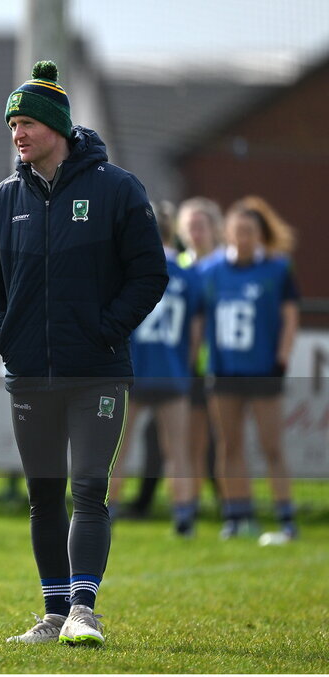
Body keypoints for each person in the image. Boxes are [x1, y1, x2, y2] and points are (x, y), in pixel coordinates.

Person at [0, 61, 167, 646]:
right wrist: (2, 334)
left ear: (56, 126)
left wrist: (108, 328)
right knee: (43, 494)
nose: (17, 134)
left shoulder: (117, 189)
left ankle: (85, 610)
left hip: (97, 371)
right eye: (12, 125)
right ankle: (53, 615)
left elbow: (149, 273)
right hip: (29, 374)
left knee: (87, 487)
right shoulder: (3, 201)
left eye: (26, 122)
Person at [201, 196, 300, 542]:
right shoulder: (210, 270)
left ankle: (286, 516)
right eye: (237, 229)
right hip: (224, 369)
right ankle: (236, 515)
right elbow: (197, 318)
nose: (242, 236)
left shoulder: (276, 269)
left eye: (249, 230)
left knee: (272, 445)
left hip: (262, 370)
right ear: (227, 232)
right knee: (230, 445)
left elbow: (290, 318)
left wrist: (282, 358)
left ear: (260, 234)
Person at [108, 201, 203, 536]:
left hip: (133, 368)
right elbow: (194, 331)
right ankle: (183, 517)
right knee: (178, 448)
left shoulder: (129, 266)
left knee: (118, 446)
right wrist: (183, 366)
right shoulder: (188, 272)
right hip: (171, 370)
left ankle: (108, 512)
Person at [176, 197, 225, 501]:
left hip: (220, 363)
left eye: (201, 226)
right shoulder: (177, 267)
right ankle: (187, 506)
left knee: (221, 438)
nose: (195, 232)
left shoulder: (223, 266)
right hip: (182, 363)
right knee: (187, 439)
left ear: (214, 229)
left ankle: (230, 504)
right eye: (190, 226)